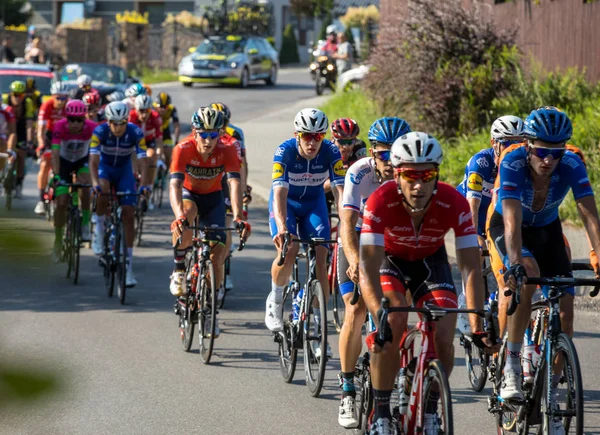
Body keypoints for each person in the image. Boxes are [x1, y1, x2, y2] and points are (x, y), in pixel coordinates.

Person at [360, 132, 494, 435]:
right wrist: (376, 313)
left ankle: (431, 405)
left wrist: (476, 324)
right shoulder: (380, 201)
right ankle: (381, 412)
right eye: (409, 175)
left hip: (430, 263)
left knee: (445, 329)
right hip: (389, 262)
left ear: (438, 174)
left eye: (427, 175)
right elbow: (367, 266)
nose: (418, 184)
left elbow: (471, 268)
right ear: (396, 174)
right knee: (392, 321)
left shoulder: (453, 202)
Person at [489, 107, 600, 417]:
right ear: (528, 145)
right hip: (509, 225)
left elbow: (588, 214)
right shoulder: (511, 162)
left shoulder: (572, 164)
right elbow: (510, 220)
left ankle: (550, 382)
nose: (548, 160)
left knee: (566, 307)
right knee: (528, 275)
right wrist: (515, 262)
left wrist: (597, 254)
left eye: (556, 152)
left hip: (547, 229)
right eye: (541, 151)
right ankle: (512, 364)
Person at [336, 117, 411, 429]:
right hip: (357, 242)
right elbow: (348, 221)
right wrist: (354, 260)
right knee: (355, 309)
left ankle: (396, 381)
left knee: (400, 310)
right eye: (383, 155)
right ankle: (348, 390)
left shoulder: (412, 173)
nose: (390, 163)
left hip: (391, 247)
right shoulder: (360, 172)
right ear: (372, 153)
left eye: (396, 155)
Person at [265, 108, 345, 359]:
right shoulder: (284, 151)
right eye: (307, 136)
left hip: (314, 204)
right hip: (287, 204)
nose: (312, 142)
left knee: (322, 256)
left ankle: (320, 330)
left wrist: (346, 226)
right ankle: (275, 301)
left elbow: (342, 194)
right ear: (296, 135)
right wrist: (282, 228)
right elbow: (279, 194)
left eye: (318, 137)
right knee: (289, 248)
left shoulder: (332, 152)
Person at [169, 107, 250, 337]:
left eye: (213, 135)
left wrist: (238, 215)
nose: (208, 140)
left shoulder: (227, 149)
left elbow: (235, 184)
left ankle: (209, 310)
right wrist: (178, 217)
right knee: (186, 214)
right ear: (195, 133)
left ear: (219, 134)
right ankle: (178, 269)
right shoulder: (183, 148)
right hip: (189, 194)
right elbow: (174, 185)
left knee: (216, 257)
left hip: (214, 199)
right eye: (203, 134)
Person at [455, 115, 524, 333]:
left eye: (518, 142)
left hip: (498, 212)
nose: (512, 148)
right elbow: (472, 206)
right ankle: (467, 301)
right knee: (475, 254)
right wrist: (474, 236)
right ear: (494, 142)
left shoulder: (522, 162)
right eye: (507, 142)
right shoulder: (480, 163)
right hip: (470, 209)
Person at [89, 101, 150, 287]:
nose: (118, 127)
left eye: (122, 122)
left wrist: (144, 185)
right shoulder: (99, 132)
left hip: (124, 170)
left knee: (129, 213)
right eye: (114, 123)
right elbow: (92, 161)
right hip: (105, 169)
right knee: (103, 190)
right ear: (108, 121)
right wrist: (94, 183)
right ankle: (99, 231)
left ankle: (129, 268)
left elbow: (143, 161)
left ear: (127, 121)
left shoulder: (136, 132)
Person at [50, 100, 96, 261]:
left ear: (84, 119)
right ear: (66, 118)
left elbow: (96, 154)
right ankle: (57, 240)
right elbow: (55, 154)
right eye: (71, 119)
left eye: (79, 120)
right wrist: (56, 175)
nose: (75, 124)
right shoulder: (59, 126)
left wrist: (95, 177)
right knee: (62, 202)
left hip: (82, 161)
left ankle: (84, 225)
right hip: (63, 163)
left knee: (85, 187)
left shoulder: (92, 128)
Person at [210, 102, 246, 293]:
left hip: (226, 181)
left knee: (226, 223)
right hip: (207, 183)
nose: (220, 128)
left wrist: (242, 192)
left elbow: (241, 166)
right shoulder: (204, 137)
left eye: (223, 123)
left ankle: (223, 269)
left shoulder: (235, 136)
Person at [35, 82, 69, 215]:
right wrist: (41, 145)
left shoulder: (69, 107)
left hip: (63, 137)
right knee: (44, 164)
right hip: (49, 135)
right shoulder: (47, 105)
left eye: (64, 98)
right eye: (58, 98)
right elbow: (40, 130)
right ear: (53, 96)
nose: (61, 101)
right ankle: (40, 200)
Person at [324, 118, 365, 214]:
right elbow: (318, 186)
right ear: (333, 139)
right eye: (342, 142)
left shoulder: (359, 146)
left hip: (349, 188)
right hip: (327, 191)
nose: (346, 147)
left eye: (350, 142)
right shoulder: (325, 150)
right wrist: (340, 177)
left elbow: (365, 172)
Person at [129, 94, 163, 209]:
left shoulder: (155, 117)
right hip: (134, 143)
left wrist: (159, 154)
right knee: (134, 158)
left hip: (148, 143)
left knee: (152, 156)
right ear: (136, 109)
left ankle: (149, 187)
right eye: (141, 111)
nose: (144, 115)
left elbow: (159, 140)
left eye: (146, 111)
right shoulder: (130, 117)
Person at [2, 81, 35, 198]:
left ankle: (19, 182)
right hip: (6, 129)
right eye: (15, 94)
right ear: (10, 94)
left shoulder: (28, 103)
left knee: (21, 154)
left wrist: (30, 141)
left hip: (21, 130)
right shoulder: (5, 101)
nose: (17, 97)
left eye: (20, 95)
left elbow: (30, 125)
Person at [154, 92, 180, 169]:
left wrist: (176, 141)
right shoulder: (152, 108)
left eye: (165, 107)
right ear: (156, 104)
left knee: (169, 156)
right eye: (160, 106)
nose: (163, 109)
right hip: (155, 133)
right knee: (156, 156)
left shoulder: (172, 109)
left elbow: (177, 126)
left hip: (165, 132)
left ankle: (165, 175)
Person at [0, 103, 17, 174]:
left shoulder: (7, 110)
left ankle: (1, 171)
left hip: (3, 135)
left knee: (2, 143)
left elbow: (12, 133)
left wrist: (10, 150)